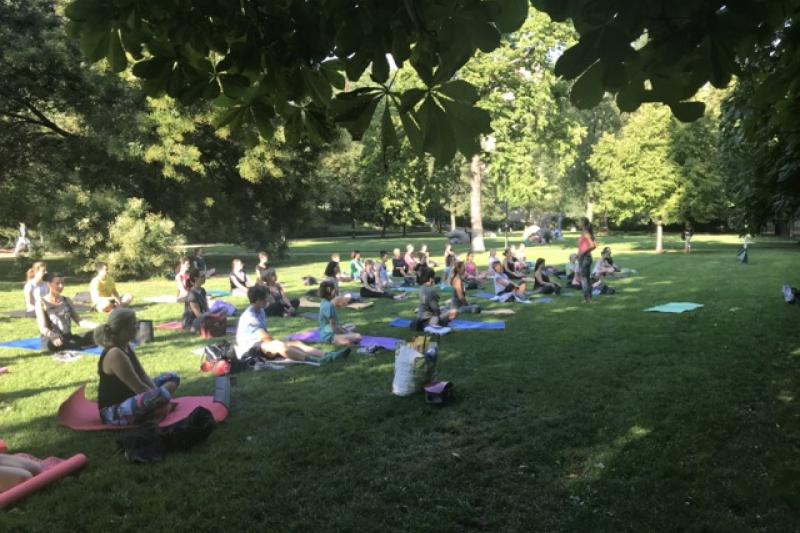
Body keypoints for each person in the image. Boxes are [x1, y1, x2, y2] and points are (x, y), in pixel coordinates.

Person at [95, 308, 180, 425]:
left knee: (173, 377)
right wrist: (160, 397)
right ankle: (158, 410)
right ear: (123, 329)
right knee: (162, 394)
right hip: (113, 411)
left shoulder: (126, 346)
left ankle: (158, 410)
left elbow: (142, 375)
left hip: (134, 396)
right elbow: (138, 387)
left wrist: (157, 394)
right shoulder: (115, 354)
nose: (137, 327)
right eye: (134, 324)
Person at [235, 285, 344, 363]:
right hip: (249, 350)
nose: (268, 300)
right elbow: (266, 338)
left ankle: (327, 355)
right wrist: (282, 344)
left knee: (294, 342)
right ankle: (317, 360)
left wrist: (287, 343)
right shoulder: (250, 317)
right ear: (258, 300)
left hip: (260, 345)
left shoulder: (261, 311)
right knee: (279, 345)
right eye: (265, 298)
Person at [36, 273, 95, 352]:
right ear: (49, 284)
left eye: (63, 283)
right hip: (52, 340)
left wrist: (98, 326)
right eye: (57, 283)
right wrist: (53, 336)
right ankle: (76, 346)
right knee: (62, 344)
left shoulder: (67, 300)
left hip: (67, 337)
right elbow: (42, 328)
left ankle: (74, 345)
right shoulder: (41, 303)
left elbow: (80, 321)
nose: (61, 286)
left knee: (97, 334)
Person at [319, 280, 362, 346]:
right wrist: (347, 333)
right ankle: (337, 341)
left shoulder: (324, 301)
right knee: (358, 337)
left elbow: (335, 326)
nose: (336, 292)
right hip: (330, 335)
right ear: (329, 290)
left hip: (328, 331)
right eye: (334, 290)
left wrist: (346, 332)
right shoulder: (328, 306)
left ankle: (344, 339)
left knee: (352, 326)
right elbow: (334, 327)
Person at [577, 217, 597, 303]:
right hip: (583, 258)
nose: (578, 223)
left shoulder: (586, 233)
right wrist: (578, 255)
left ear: (583, 223)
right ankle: (588, 299)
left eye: (579, 221)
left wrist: (583, 253)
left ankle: (587, 299)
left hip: (585, 258)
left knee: (585, 280)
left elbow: (593, 245)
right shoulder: (584, 233)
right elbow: (581, 247)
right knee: (586, 279)